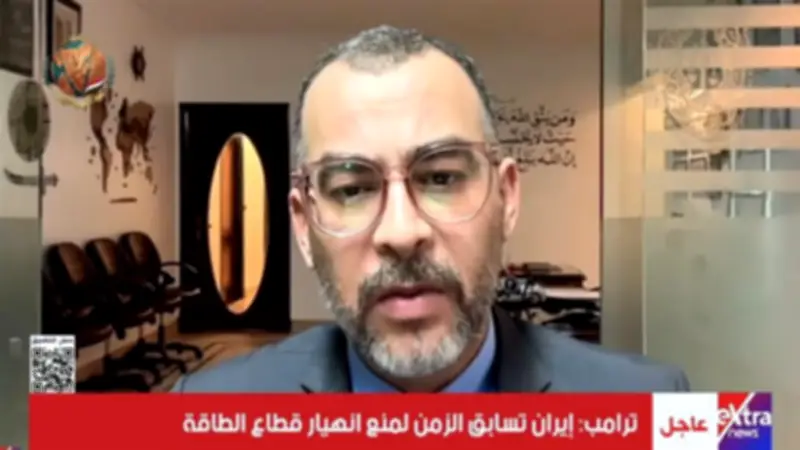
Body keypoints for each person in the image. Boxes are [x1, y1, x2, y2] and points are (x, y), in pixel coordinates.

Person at [172, 25, 689, 393]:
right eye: (352, 189)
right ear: (303, 227)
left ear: (507, 198)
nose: (401, 233)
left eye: (441, 178)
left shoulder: (657, 408)